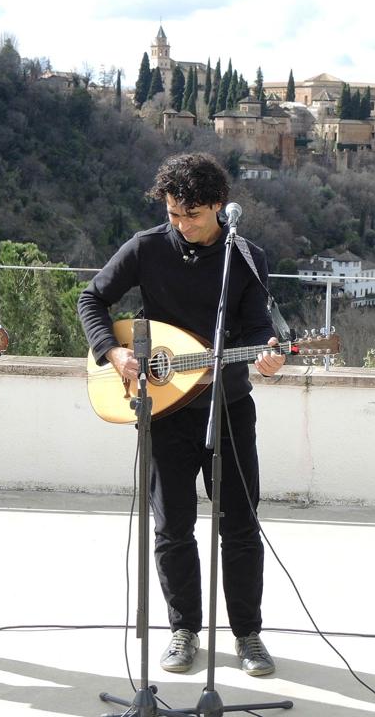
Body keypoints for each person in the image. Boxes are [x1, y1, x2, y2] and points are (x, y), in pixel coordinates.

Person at [77, 152, 285, 676]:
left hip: (229, 407)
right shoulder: (147, 248)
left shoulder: (246, 256)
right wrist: (114, 353)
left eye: (191, 215)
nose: (181, 225)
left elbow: (259, 326)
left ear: (219, 206)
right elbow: (91, 299)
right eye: (173, 213)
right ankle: (183, 629)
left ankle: (248, 635)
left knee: (239, 525)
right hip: (165, 409)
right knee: (172, 526)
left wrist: (268, 354)